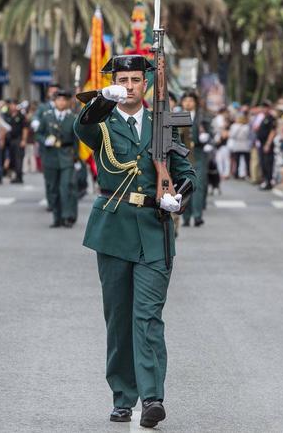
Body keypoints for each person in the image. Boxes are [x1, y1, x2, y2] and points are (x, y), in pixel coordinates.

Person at [74, 55, 196, 428]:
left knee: (148, 317)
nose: (128, 86)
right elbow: (83, 128)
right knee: (119, 318)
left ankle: (153, 397)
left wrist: (181, 196)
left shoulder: (164, 125)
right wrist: (101, 100)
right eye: (122, 79)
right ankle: (123, 397)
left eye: (134, 80)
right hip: (113, 230)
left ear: (146, 85)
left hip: (155, 229)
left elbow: (186, 171)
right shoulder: (104, 122)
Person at [37, 90, 78, 228]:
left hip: (66, 157)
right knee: (53, 188)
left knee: (66, 187)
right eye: (58, 100)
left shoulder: (73, 118)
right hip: (50, 157)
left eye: (64, 100)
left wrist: (77, 159)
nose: (61, 102)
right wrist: (44, 140)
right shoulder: (47, 116)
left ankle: (67, 216)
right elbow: (38, 134)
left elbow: (76, 140)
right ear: (54, 102)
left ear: (67, 102)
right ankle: (57, 217)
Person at [180, 91, 211, 227]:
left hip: (199, 154)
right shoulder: (177, 116)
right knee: (184, 186)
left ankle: (198, 216)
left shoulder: (202, 117)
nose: (188, 103)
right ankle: (186, 217)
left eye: (191, 100)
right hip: (182, 155)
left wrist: (208, 140)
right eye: (185, 100)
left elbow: (211, 133)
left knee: (198, 185)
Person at [2, 99, 28, 183]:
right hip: (9, 140)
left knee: (18, 158)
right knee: (12, 158)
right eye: (11, 105)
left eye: (14, 105)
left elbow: (25, 128)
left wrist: (24, 140)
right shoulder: (7, 116)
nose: (12, 107)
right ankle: (14, 174)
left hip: (18, 139)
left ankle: (19, 176)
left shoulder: (21, 116)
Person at [256, 102, 277, 190]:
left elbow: (273, 131)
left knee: (268, 163)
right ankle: (265, 180)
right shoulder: (263, 118)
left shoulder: (271, 118)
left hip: (267, 144)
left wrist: (268, 144)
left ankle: (268, 181)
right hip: (261, 143)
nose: (264, 109)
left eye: (265, 108)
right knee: (263, 163)